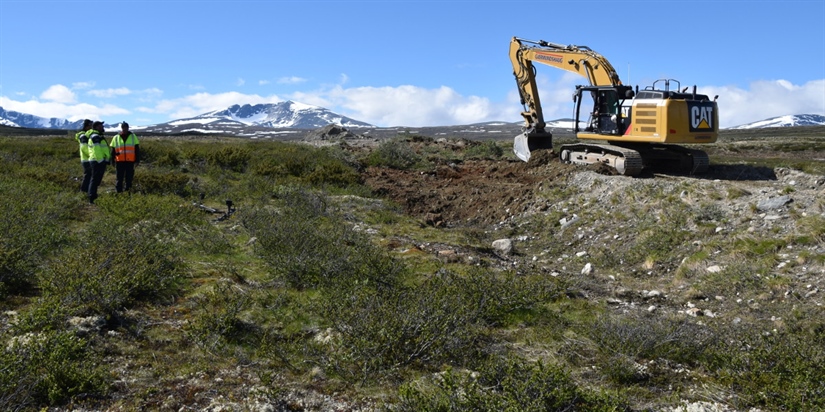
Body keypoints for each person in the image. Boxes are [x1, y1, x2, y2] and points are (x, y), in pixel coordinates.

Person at [110, 121, 140, 193]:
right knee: (119, 178)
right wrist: (112, 160)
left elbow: (137, 149)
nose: (125, 129)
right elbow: (113, 150)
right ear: (121, 128)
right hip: (119, 161)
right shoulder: (116, 137)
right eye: (123, 127)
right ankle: (119, 192)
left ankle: (128, 192)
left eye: (126, 127)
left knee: (129, 178)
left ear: (128, 128)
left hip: (130, 161)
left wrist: (137, 160)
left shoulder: (133, 136)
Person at [86, 121, 111, 204]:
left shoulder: (98, 136)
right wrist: (101, 161)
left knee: (96, 179)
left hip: (99, 160)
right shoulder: (95, 136)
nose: (102, 127)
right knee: (94, 179)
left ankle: (93, 195)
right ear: (96, 127)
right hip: (97, 161)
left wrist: (106, 159)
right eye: (100, 126)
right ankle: (91, 198)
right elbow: (97, 150)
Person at [75, 119, 94, 192]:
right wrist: (91, 155)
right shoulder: (83, 136)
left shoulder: (86, 135)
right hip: (87, 159)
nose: (92, 127)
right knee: (88, 175)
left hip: (87, 158)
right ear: (86, 126)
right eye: (90, 126)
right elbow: (84, 147)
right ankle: (84, 191)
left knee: (89, 175)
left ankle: (87, 190)